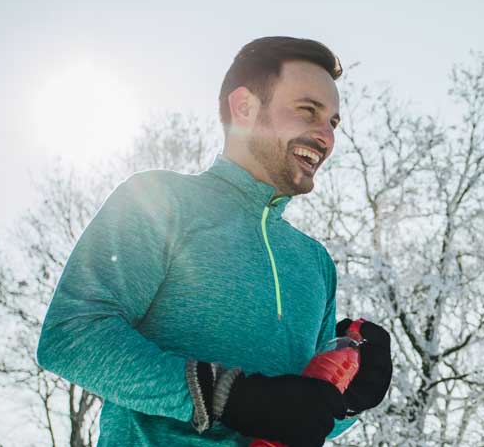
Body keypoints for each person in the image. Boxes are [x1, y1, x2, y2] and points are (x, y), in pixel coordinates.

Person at [37, 36, 393, 447]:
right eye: (307, 111)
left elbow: (300, 417)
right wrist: (224, 394)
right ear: (243, 107)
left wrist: (349, 399)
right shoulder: (160, 201)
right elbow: (72, 336)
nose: (325, 136)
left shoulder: (314, 263)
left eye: (332, 122)